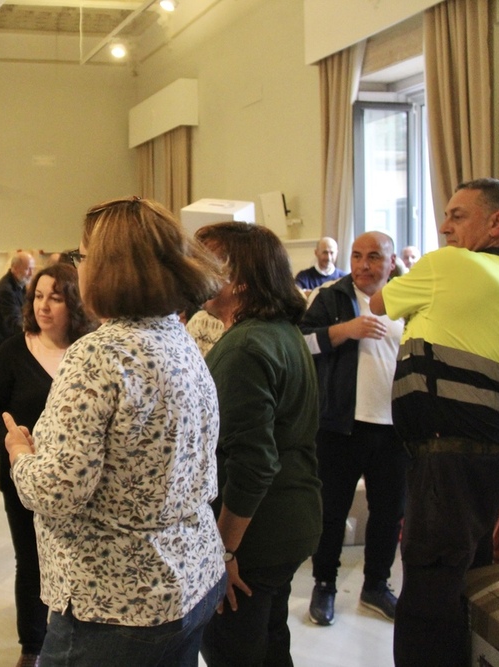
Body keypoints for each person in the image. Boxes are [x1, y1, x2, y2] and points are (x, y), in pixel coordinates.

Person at [3, 196, 228, 666]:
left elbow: (58, 490)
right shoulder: (179, 336)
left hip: (116, 600)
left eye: (82, 257)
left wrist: (21, 455)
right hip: (191, 574)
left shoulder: (98, 355)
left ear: (107, 266)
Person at [369, 178, 499, 667]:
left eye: (458, 215)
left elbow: (379, 303)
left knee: (428, 596)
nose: (445, 227)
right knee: (468, 580)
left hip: (443, 457)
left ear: (498, 222)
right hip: (494, 462)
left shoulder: (449, 263)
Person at [195, 221, 322, 667]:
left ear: (242, 279)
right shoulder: (280, 331)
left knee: (236, 650)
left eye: (207, 262)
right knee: (269, 643)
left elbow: (253, 464)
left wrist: (225, 550)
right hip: (288, 519)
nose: (195, 271)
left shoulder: (246, 346)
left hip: (256, 534)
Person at [0, 263, 96, 667]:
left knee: (76, 558)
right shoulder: (15, 349)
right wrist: (10, 434)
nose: (44, 306)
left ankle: (77, 635)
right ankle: (32, 644)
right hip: (22, 476)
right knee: (29, 560)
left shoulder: (90, 350)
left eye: (56, 298)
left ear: (75, 303)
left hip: (78, 482)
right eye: (39, 296)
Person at [300, 231, 407, 627]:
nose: (364, 265)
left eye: (374, 257)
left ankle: (376, 585)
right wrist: (346, 330)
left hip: (395, 427)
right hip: (339, 425)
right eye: (358, 256)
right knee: (331, 510)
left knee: (388, 512)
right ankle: (324, 583)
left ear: (390, 262)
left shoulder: (407, 299)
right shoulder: (331, 297)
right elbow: (302, 341)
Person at [0, 251, 35, 367]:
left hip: (3, 344)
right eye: (28, 269)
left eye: (32, 269)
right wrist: (34, 334)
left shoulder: (20, 285)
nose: (31, 273)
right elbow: (14, 322)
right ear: (15, 268)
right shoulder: (5, 290)